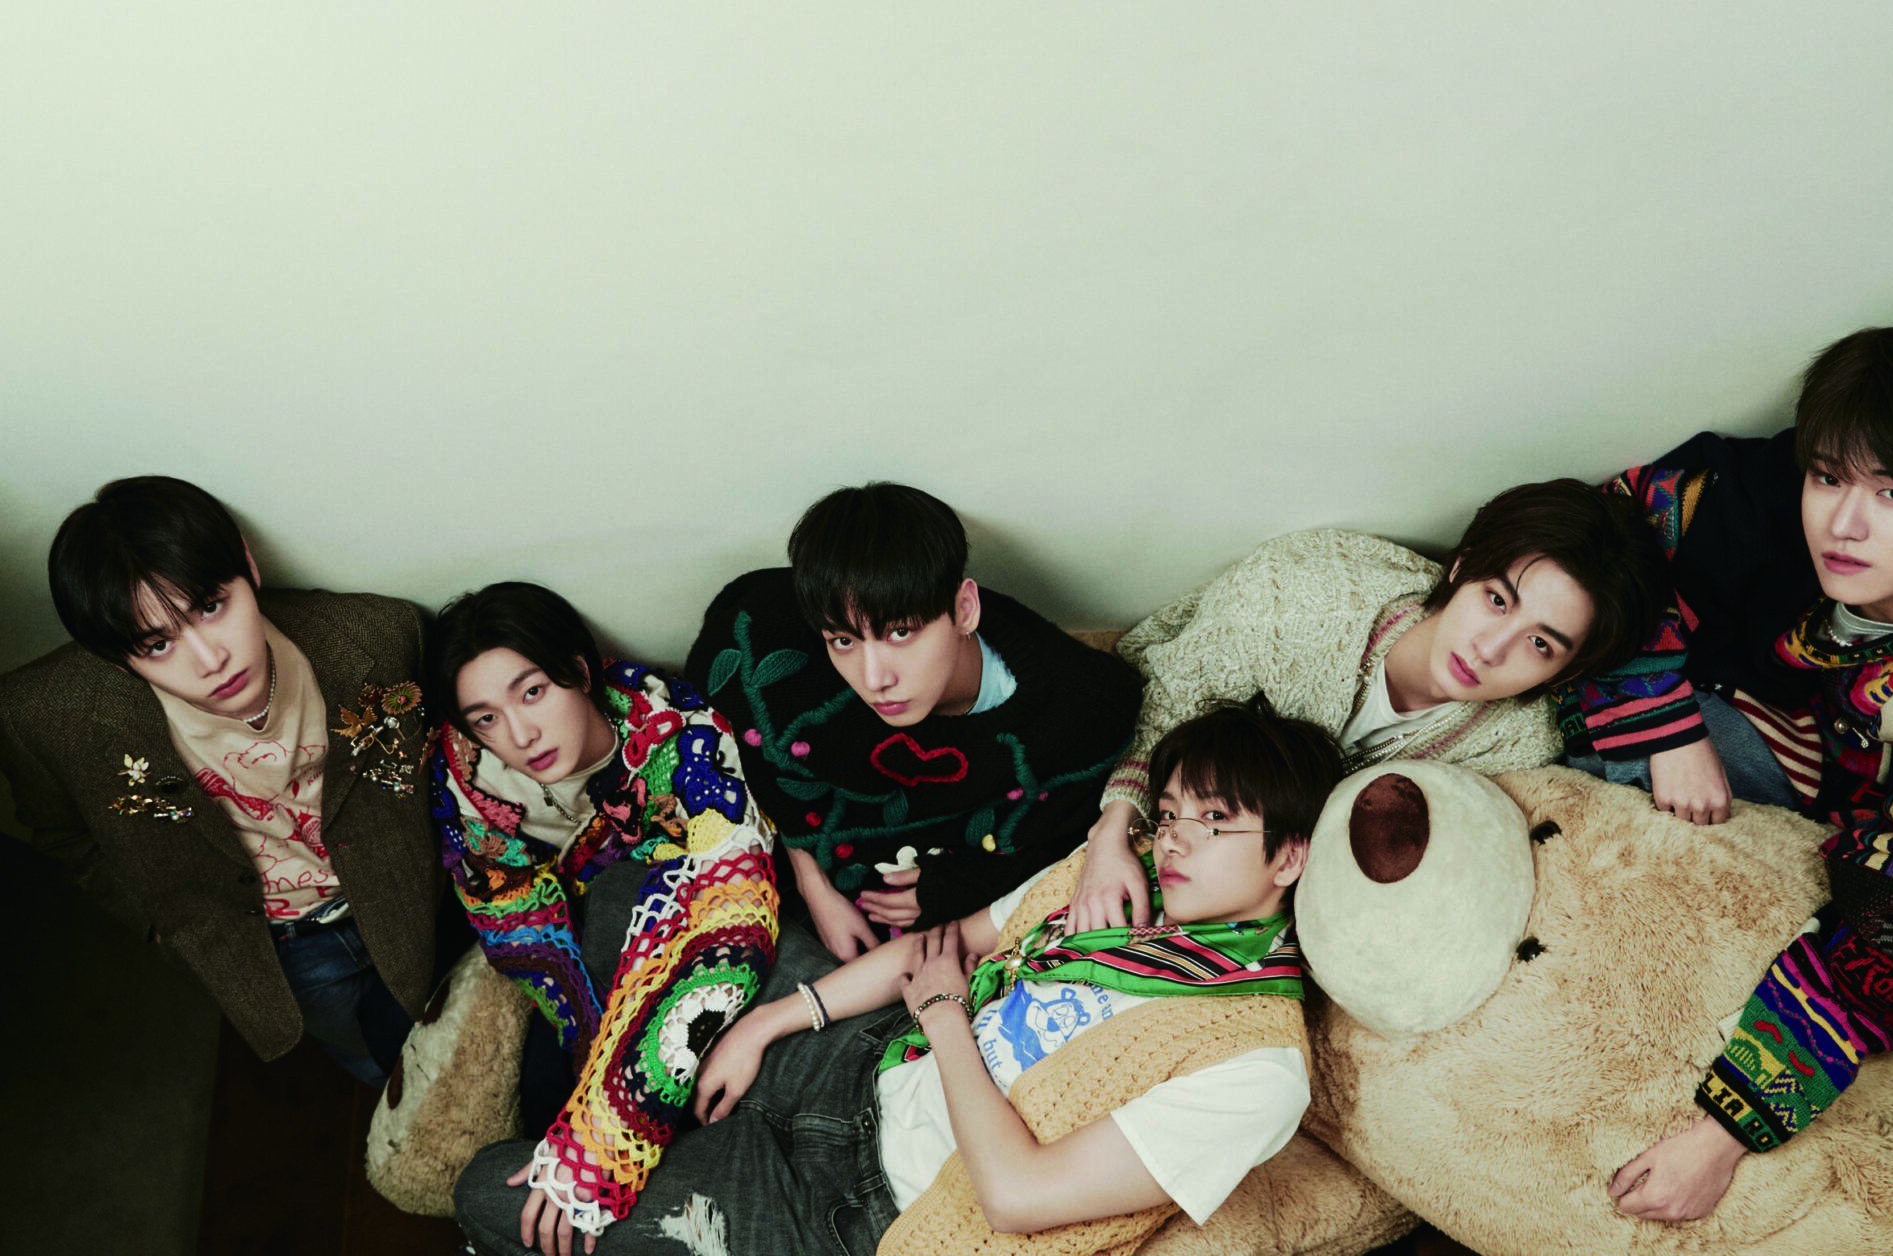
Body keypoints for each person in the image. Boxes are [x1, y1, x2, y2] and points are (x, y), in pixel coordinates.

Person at [452, 695, 1341, 1256]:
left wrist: (949, 1016)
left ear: (1291, 856)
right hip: (864, 1055)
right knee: (626, 897)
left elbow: (1019, 1197)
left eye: (1212, 823)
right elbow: (945, 943)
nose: (1175, 838)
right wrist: (771, 1023)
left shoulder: (1256, 1063)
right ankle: (657, 1106)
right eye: (1172, 812)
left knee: (488, 1196)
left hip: (862, 1212)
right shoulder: (1121, 871)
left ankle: (665, 1128)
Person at [1556, 328, 1893, 1221]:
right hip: (1770, 715)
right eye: (1830, 478)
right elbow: (1604, 530)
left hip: (1884, 837)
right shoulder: (1778, 490)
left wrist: (1724, 1135)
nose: (1845, 523)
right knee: (1580, 739)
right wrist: (1667, 727)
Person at [0, 476, 451, 1084]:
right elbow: (63, 834)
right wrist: (161, 921)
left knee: (462, 1039)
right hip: (279, 950)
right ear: (115, 658)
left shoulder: (380, 635)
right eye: (157, 644)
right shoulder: (46, 719)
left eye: (211, 607)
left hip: (408, 899)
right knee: (381, 1068)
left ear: (247, 564)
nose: (211, 659)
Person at [1068, 479, 1669, 933]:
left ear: (1568, 670)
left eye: (1539, 644)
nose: (1490, 650)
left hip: (1266, 873)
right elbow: (1168, 693)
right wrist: (1110, 834)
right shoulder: (1305, 592)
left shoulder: (1520, 744)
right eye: (1496, 600)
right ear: (1462, 566)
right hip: (1147, 776)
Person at [425, 583, 779, 1250]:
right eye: (487, 718)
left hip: (685, 940)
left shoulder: (680, 736)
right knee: (532, 1116)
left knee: (701, 1112)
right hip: (575, 956)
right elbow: (512, 923)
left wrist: (610, 1128)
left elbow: (733, 928)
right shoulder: (466, 772)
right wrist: (591, 1048)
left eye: (533, 692)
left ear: (579, 671)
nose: (520, 735)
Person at [684, 482, 1143, 960]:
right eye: (844, 641)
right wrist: (813, 884)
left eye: (901, 633)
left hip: (941, 938)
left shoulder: (1078, 705)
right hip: (789, 890)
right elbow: (743, 711)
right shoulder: (775, 650)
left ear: (964, 609)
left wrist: (962, 886)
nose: (874, 679)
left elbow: (1075, 832)